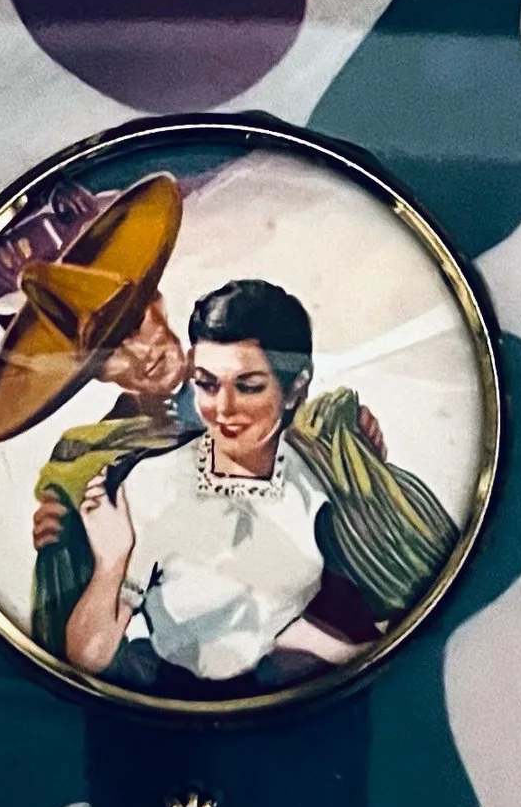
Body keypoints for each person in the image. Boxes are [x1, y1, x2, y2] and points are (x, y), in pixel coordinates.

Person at [41, 278, 457, 694]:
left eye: (248, 386)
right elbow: (89, 655)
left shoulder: (319, 476)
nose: (223, 409)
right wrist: (112, 559)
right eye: (206, 383)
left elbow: (322, 622)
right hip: (174, 709)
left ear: (295, 387)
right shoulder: (152, 481)